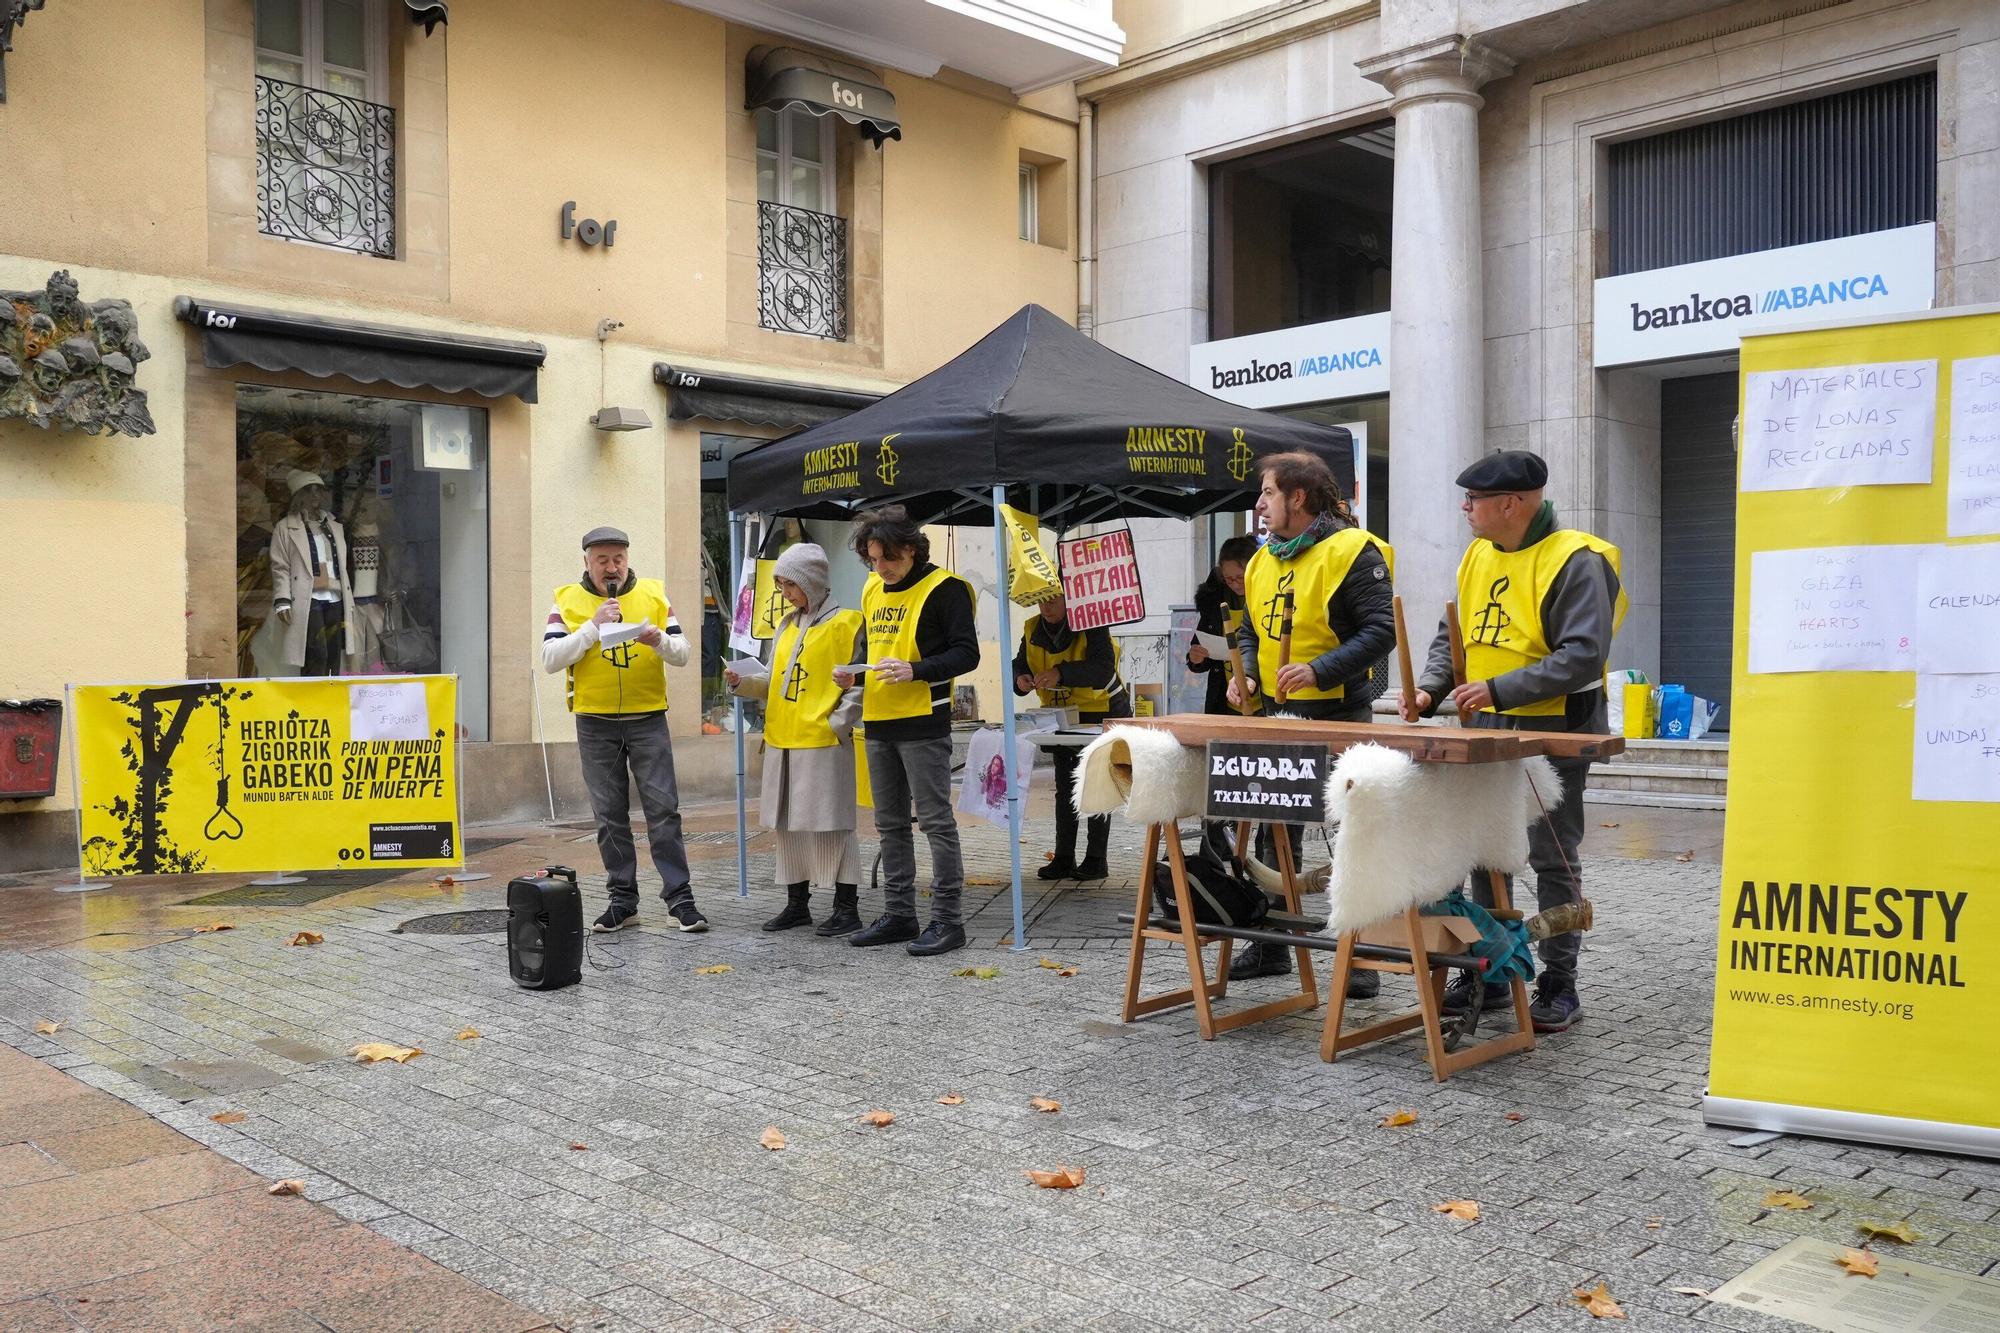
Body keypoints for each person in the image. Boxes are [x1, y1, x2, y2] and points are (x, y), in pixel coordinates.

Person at [1403, 449, 1624, 1033]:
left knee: (1551, 853)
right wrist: (1429, 690)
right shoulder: (1477, 555)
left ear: (1512, 504)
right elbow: (1453, 638)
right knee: (1484, 849)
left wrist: (1497, 688)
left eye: (1473, 500)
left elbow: (1583, 656)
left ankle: (1559, 979)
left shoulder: (1576, 560)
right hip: (1487, 729)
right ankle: (1493, 967)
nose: (1464, 508)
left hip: (1555, 730)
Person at [1228, 451, 1395, 989]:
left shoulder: (1353, 550)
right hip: (1278, 715)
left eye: (1268, 493)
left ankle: (1362, 953)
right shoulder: (1260, 560)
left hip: (1341, 713)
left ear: (1297, 498)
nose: (1259, 503)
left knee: (1354, 833)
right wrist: (1249, 675)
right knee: (1274, 834)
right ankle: (1274, 941)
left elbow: (1381, 629)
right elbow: (1253, 631)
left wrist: (1319, 670)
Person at [542, 526, 705, 934]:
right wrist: (592, 626)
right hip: (595, 723)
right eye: (603, 560)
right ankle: (623, 900)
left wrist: (658, 641)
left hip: (647, 717)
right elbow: (550, 658)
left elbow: (683, 654)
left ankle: (680, 899)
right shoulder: (566, 600)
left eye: (619, 559)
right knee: (609, 816)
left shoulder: (653, 594)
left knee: (663, 810)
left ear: (627, 559)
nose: (612, 568)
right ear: (587, 562)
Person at [834, 506, 980, 957]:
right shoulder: (873, 588)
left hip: (923, 722)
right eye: (873, 560)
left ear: (913, 550)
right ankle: (899, 914)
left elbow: (966, 655)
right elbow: (875, 652)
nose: (881, 568)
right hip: (878, 721)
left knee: (936, 822)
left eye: (889, 559)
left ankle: (947, 920)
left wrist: (916, 670)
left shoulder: (947, 589)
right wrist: (854, 677)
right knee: (889, 824)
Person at [725, 544, 867, 936]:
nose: (786, 593)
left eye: (791, 584)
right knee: (788, 825)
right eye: (781, 585)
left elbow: (860, 684)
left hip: (822, 740)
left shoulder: (848, 624)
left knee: (833, 825)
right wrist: (743, 683)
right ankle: (797, 904)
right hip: (783, 739)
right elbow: (774, 681)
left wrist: (838, 723)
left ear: (813, 582)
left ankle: (846, 908)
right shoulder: (785, 626)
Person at [1012, 589, 1132, 882]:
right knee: (1065, 786)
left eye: (1053, 600)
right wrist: (1021, 679)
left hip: (1101, 709)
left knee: (1097, 784)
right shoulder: (1031, 628)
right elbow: (1020, 663)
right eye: (1042, 600)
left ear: (1070, 600)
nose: (1047, 607)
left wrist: (1060, 673)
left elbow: (1102, 668)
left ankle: (1096, 859)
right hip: (1061, 715)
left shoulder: (1092, 623)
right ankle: (1063, 856)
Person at [1187, 535, 1258, 862]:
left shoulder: (1264, 595)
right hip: (1223, 704)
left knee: (1260, 785)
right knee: (1222, 780)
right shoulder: (1215, 600)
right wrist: (1197, 656)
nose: (1234, 584)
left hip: (1262, 708)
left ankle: (1257, 857)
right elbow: (1197, 645)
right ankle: (1216, 857)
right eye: (1228, 578)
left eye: (1239, 577)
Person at [269, 470, 355, 676]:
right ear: (299, 495)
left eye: (318, 490)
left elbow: (341, 564)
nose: (315, 495)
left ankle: (329, 698)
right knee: (316, 653)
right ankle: (311, 699)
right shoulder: (285, 528)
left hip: (335, 595)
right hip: (308, 597)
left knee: (334, 652)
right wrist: (282, 599)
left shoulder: (334, 526)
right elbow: (280, 566)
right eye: (309, 490)